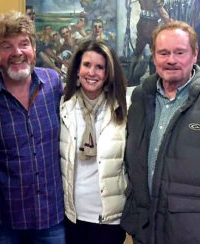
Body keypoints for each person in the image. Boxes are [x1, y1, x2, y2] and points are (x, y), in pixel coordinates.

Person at [0, 11, 65, 244]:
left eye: (24, 44)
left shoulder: (53, 84)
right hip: (4, 222)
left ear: (33, 47)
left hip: (51, 218)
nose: (17, 53)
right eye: (6, 46)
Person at [121, 21, 200, 244]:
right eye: (163, 53)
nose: (171, 60)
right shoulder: (140, 98)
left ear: (194, 55)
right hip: (146, 232)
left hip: (197, 234)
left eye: (179, 52)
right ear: (154, 57)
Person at [60, 39, 128, 244]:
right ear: (77, 70)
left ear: (108, 74)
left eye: (100, 67)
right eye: (87, 65)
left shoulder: (123, 109)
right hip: (72, 217)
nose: (92, 72)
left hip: (109, 220)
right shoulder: (64, 107)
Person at [129, 0, 171, 86]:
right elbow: (161, 11)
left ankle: (132, 78)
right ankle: (153, 80)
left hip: (143, 23)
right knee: (154, 54)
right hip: (151, 26)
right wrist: (171, 23)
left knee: (138, 52)